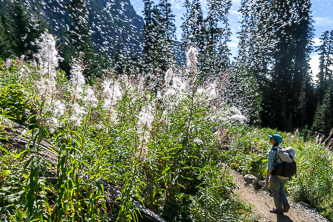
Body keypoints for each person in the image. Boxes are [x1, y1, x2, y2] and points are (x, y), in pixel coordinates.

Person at [265, 134, 290, 214]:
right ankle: (286, 205)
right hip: (285, 175)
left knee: (275, 192)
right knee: (281, 189)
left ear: (275, 141)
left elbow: (269, 167)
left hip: (276, 176)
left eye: (271, 138)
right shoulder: (283, 150)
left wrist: (267, 178)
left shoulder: (272, 152)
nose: (270, 139)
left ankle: (278, 209)